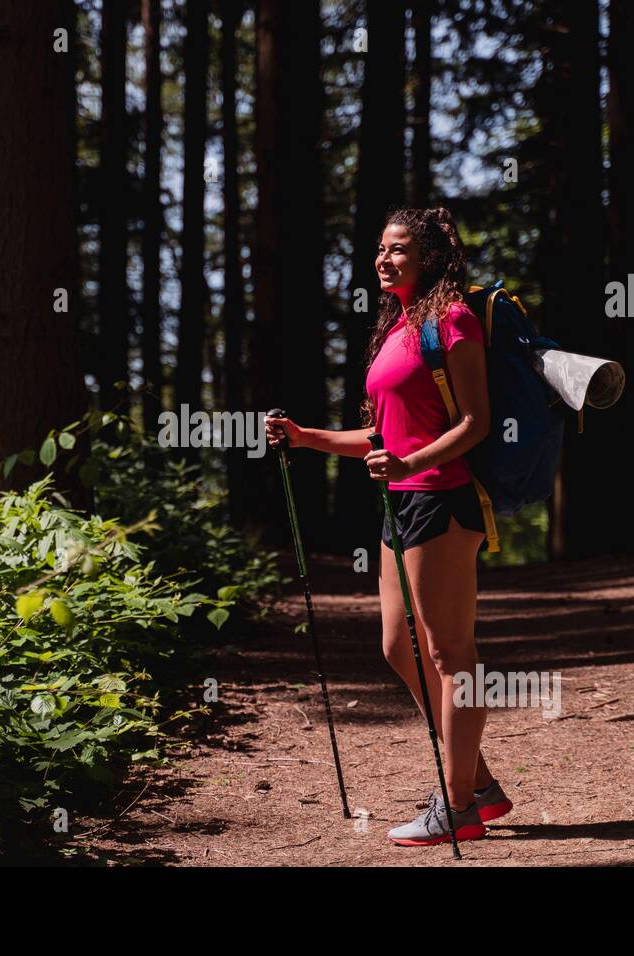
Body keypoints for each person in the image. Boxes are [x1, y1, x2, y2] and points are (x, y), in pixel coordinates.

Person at [265, 207, 512, 847]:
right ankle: (479, 784)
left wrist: (413, 462)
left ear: (429, 257)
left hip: (441, 498)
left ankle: (457, 805)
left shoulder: (452, 320)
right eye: (380, 248)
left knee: (450, 653)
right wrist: (306, 438)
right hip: (397, 501)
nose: (383, 258)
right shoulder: (397, 329)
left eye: (398, 249)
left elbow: (476, 423)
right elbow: (382, 435)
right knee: (397, 648)